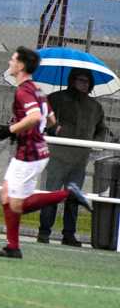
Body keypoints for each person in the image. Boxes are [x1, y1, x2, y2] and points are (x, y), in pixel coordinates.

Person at [0, 48, 93, 259]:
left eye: (13, 59)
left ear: (21, 66)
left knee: (17, 204)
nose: (10, 62)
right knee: (6, 195)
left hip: (30, 152)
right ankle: (12, 246)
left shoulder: (24, 91)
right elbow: (51, 119)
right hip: (32, 149)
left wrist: (10, 129)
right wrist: (36, 129)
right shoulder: (36, 89)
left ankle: (68, 194)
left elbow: (35, 116)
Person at [38, 68, 107, 247]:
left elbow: (101, 129)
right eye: (79, 80)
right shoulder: (56, 99)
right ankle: (44, 232)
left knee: (73, 198)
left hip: (79, 160)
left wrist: (96, 143)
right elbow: (44, 119)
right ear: (72, 80)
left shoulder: (95, 107)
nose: (83, 84)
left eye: (86, 81)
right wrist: (54, 128)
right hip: (57, 157)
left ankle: (69, 235)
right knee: (51, 196)